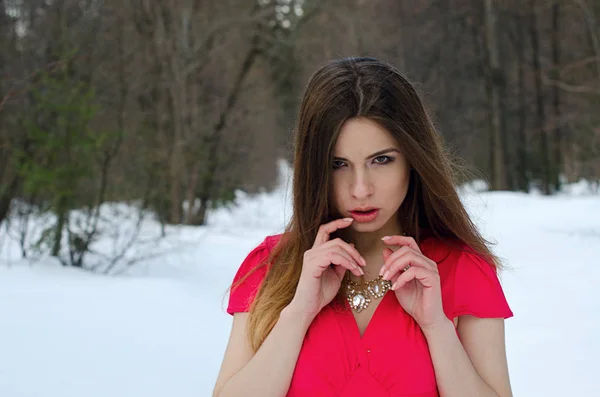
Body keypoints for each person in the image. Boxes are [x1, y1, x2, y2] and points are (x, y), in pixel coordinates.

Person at [212, 57, 514, 397]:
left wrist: (437, 328)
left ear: (414, 160)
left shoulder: (462, 269)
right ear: (315, 170)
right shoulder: (270, 266)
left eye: (381, 160)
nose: (360, 189)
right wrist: (297, 314)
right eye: (338, 164)